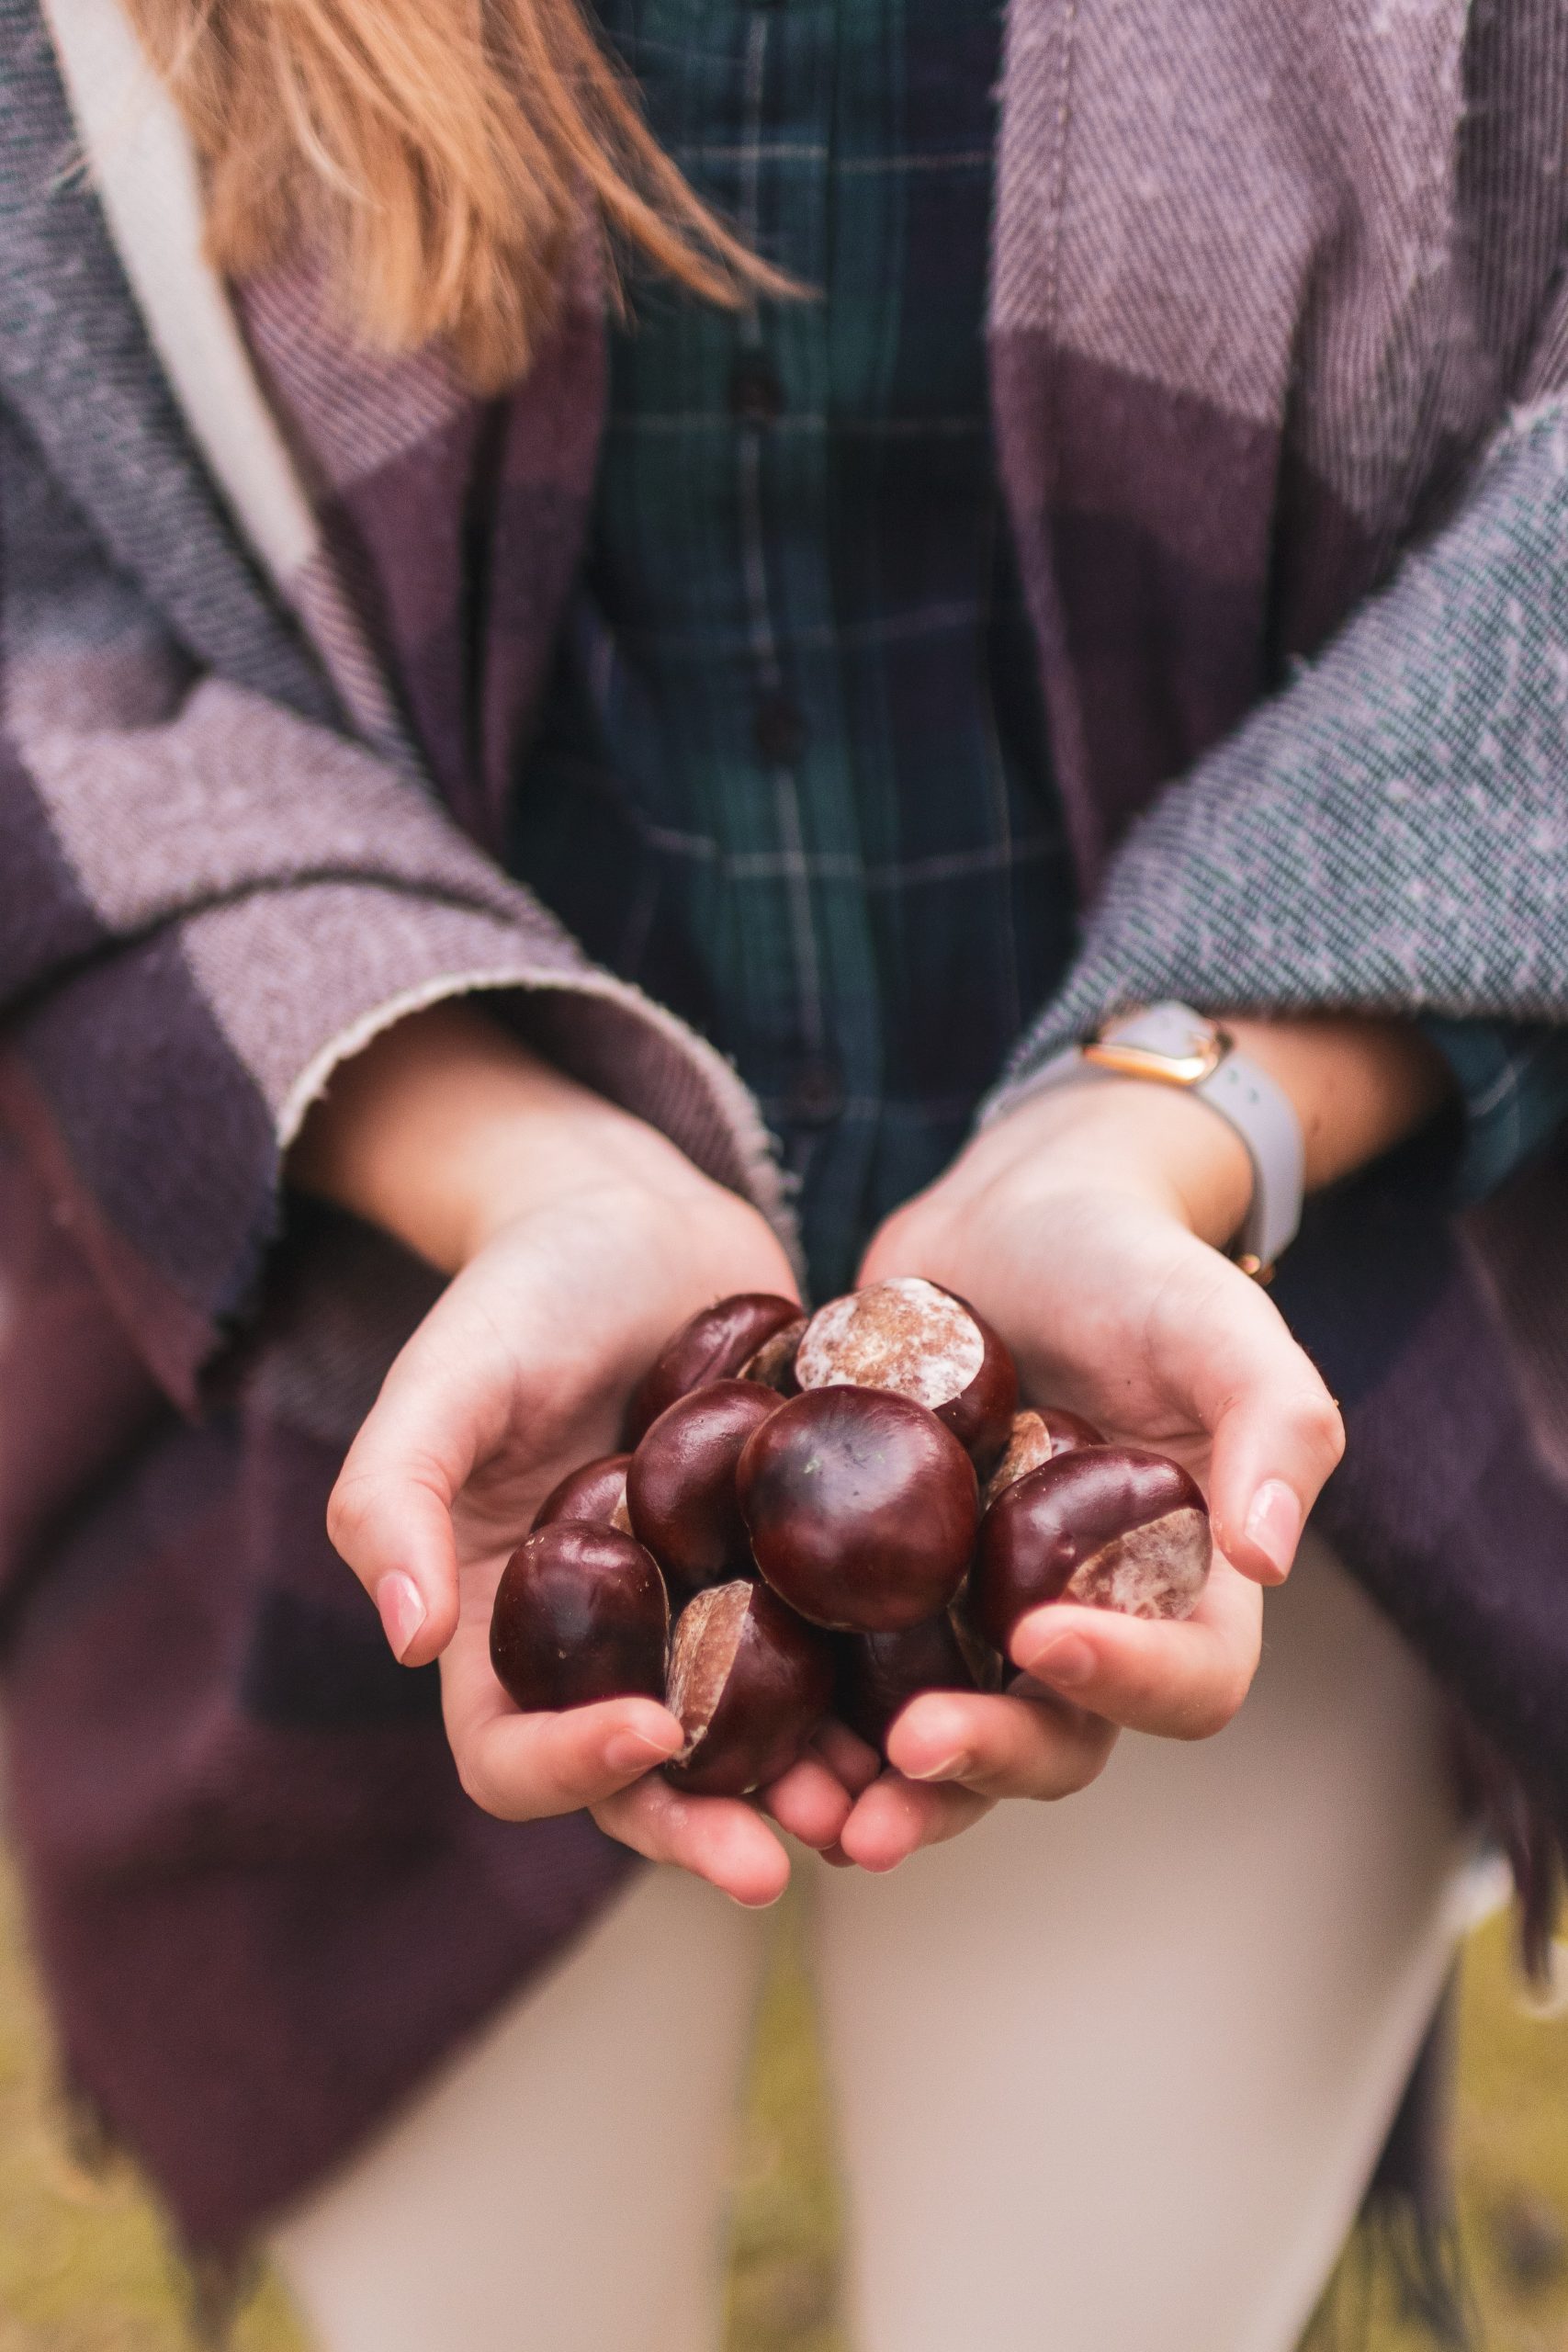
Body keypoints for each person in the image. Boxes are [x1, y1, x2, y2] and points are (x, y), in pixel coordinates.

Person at [4, 0, 1568, 2346]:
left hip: (1266, 1311)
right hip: (381, 1329)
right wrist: (508, 1156)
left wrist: (1183, 1117)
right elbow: (45, 618)